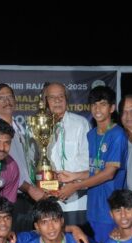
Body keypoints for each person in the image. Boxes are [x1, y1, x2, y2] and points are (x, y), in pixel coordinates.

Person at [55, 86, 128, 243]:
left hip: (111, 208)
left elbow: (109, 173)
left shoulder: (117, 134)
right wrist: (74, 176)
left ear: (112, 108)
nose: (97, 109)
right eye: (94, 104)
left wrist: (75, 186)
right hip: (93, 207)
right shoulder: (91, 134)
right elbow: (95, 169)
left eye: (102, 104)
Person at [0, 84, 44, 232]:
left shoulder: (20, 128)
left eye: (10, 97)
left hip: (27, 196)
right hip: (8, 198)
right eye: (1, 98)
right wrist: (29, 188)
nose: (7, 101)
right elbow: (2, 169)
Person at [43, 82, 90, 226]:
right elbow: (34, 161)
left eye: (61, 96)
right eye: (52, 97)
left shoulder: (81, 123)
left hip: (77, 199)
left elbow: (87, 159)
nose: (57, 100)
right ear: (45, 101)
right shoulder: (40, 125)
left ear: (67, 99)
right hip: (48, 199)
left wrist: (72, 185)